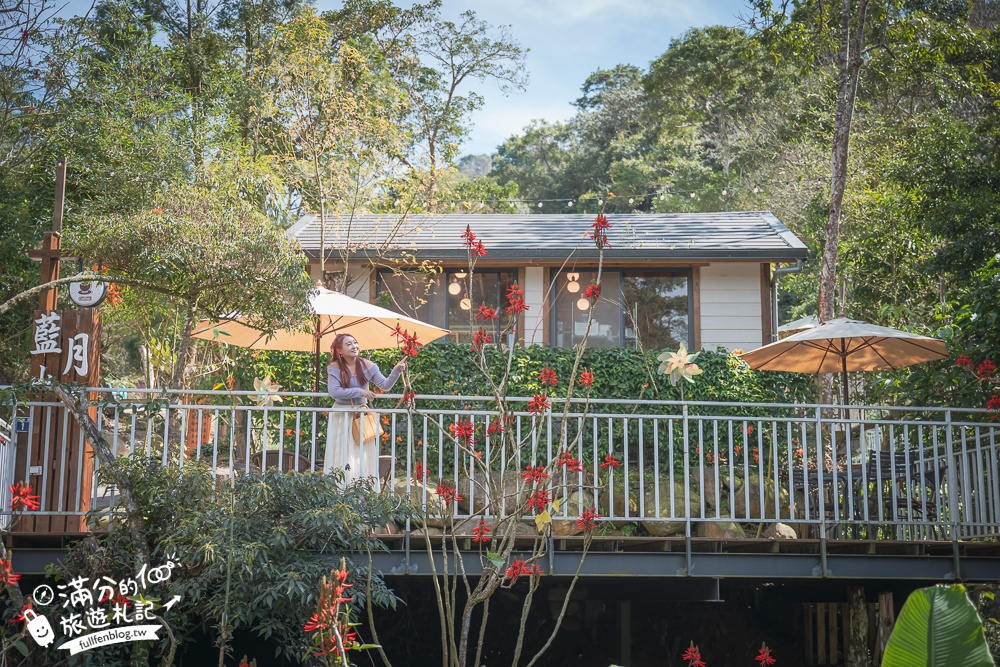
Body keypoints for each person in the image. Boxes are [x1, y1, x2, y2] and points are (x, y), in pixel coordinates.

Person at [325, 333, 406, 485]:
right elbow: (334, 392)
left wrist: (396, 370)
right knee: (343, 453)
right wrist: (360, 391)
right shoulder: (335, 368)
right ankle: (340, 489)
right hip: (342, 415)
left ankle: (361, 489)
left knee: (360, 455)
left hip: (361, 415)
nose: (354, 346)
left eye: (355, 343)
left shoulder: (368, 365)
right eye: (349, 344)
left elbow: (385, 385)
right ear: (340, 350)